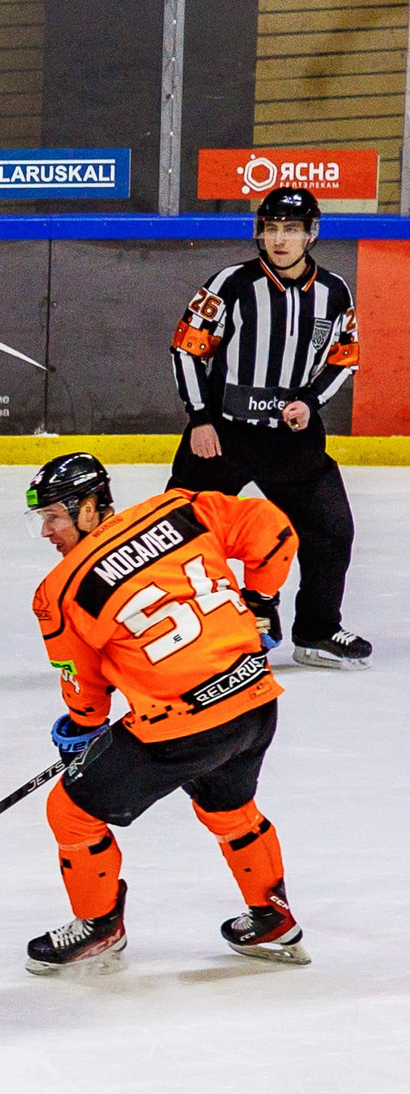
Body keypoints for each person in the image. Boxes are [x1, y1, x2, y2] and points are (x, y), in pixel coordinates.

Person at [23, 451, 308, 973]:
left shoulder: (61, 589)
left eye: (54, 517)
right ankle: (272, 917)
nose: (47, 531)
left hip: (181, 727)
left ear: (90, 509)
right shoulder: (180, 509)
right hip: (254, 703)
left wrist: (82, 729)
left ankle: (99, 926)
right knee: (228, 809)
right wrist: (261, 598)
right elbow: (274, 529)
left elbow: (84, 683)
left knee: (71, 812)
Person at [166, 185, 368, 669]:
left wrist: (310, 402)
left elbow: (344, 357)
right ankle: (181, 630)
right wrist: (199, 418)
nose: (280, 239)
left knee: (331, 530)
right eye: (272, 228)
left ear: (310, 234)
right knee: (177, 531)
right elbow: (188, 348)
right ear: (260, 232)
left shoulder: (334, 291)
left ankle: (317, 632)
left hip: (292, 440)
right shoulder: (230, 284)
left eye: (291, 229)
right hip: (223, 437)